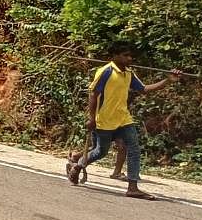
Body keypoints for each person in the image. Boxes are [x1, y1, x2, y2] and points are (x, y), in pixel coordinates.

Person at [66, 42, 181, 199]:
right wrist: (91, 118)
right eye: (125, 55)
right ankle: (78, 165)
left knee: (134, 148)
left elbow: (144, 89)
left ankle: (132, 187)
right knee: (100, 151)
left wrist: (168, 80)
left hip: (123, 118)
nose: (129, 58)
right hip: (105, 120)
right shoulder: (105, 72)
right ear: (115, 56)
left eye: (130, 55)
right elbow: (93, 95)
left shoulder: (129, 73)